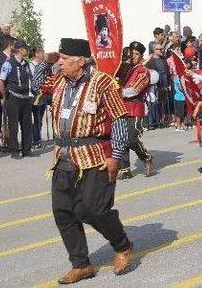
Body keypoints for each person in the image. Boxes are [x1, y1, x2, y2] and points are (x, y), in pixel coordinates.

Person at [33, 38, 132, 284]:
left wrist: (116, 157)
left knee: (94, 209)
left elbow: (119, 118)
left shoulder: (102, 82)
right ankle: (81, 265)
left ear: (81, 61)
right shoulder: (57, 80)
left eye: (65, 59)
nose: (61, 63)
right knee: (63, 212)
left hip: (93, 156)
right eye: (60, 58)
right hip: (64, 156)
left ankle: (121, 244)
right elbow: (35, 84)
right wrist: (46, 61)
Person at [117, 41, 154, 180]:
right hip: (120, 107)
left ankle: (146, 157)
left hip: (135, 107)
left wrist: (117, 91)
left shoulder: (143, 71)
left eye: (136, 54)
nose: (133, 56)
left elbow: (134, 90)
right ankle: (125, 168)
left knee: (131, 138)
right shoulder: (125, 67)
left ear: (141, 56)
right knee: (121, 138)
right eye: (131, 53)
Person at [0, 40, 34, 158]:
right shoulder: (8, 63)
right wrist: (5, 96)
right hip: (13, 97)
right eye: (25, 48)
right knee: (13, 126)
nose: (27, 50)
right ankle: (14, 150)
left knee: (27, 124)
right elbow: (1, 81)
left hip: (25, 97)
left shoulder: (26, 64)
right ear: (19, 50)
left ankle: (27, 150)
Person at [29, 46, 47, 145]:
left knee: (39, 118)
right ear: (36, 54)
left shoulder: (43, 66)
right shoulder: (30, 65)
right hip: (33, 95)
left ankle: (37, 138)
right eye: (41, 52)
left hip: (42, 95)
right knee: (34, 118)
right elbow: (32, 80)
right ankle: (33, 139)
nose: (43, 54)